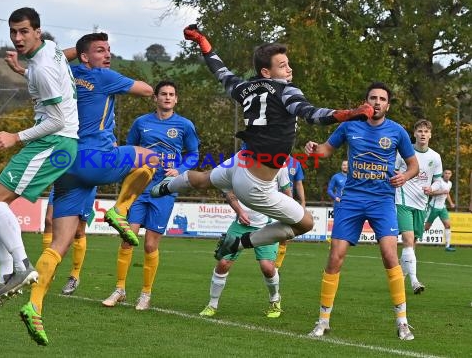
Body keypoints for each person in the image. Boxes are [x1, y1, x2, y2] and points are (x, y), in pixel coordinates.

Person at [151, 24, 373, 258]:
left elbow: (221, 71)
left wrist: (202, 42)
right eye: (282, 65)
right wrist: (349, 113)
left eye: (287, 63)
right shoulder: (286, 91)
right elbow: (312, 114)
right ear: (267, 72)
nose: (289, 69)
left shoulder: (244, 87)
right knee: (305, 223)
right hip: (256, 184)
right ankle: (238, 243)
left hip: (241, 162)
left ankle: (163, 187)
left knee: (204, 179)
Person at [12, 32, 156, 345]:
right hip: (95, 158)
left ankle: (34, 304)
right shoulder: (104, 76)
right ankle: (120, 211)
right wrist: (116, 78)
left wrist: (65, 57)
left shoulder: (66, 72)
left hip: (65, 162)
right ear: (85, 56)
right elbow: (147, 91)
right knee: (151, 158)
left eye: (108, 50)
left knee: (59, 244)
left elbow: (49, 62)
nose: (108, 54)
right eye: (100, 50)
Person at [0, 7, 79, 314]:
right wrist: (22, 70)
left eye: (23, 31)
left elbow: (57, 120)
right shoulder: (49, 52)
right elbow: (48, 74)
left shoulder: (43, 67)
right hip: (57, 142)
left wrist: (15, 137)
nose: (18, 37)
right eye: (13, 32)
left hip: (54, 141)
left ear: (37, 31)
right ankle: (7, 274)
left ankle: (21, 268)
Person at [305, 82, 419, 341]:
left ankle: (402, 322)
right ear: (366, 102)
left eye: (382, 99)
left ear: (388, 105)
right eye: (372, 98)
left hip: (382, 201)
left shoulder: (397, 132)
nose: (377, 102)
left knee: (390, 256)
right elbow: (325, 150)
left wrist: (404, 177)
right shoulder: (349, 126)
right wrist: (314, 149)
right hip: (352, 200)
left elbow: (413, 166)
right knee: (335, 257)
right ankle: (323, 321)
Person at [101, 80, 199, 311]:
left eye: (171, 94)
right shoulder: (141, 123)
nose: (167, 97)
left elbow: (194, 154)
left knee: (150, 244)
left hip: (164, 190)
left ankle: (145, 294)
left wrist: (181, 169)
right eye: (163, 94)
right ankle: (120, 289)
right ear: (155, 98)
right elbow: (130, 151)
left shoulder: (184, 125)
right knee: (128, 238)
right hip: (139, 188)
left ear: (176, 99)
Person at [200, 168, 291, 318]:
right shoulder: (239, 162)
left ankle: (275, 300)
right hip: (240, 225)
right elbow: (229, 192)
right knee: (223, 263)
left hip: (267, 225)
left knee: (268, 267)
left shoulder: (279, 165)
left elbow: (287, 193)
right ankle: (212, 304)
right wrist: (240, 211)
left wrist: (288, 218)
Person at [395, 119, 442, 295]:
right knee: (407, 241)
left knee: (412, 243)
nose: (423, 134)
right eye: (420, 131)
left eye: (426, 131)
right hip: (403, 200)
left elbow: (438, 181)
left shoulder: (435, 157)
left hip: (421, 203)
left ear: (430, 134)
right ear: (414, 133)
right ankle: (414, 281)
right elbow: (393, 171)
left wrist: (433, 188)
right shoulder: (404, 153)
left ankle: (399, 277)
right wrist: (399, 176)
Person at [42, 187, 97, 295]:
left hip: (86, 184)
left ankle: (75, 276)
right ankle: (47, 270)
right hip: (64, 180)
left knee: (79, 231)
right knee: (49, 220)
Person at [425, 169, 456, 252]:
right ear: (443, 174)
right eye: (446, 173)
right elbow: (430, 193)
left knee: (448, 225)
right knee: (426, 228)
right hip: (433, 207)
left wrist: (451, 203)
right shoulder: (439, 182)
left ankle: (447, 246)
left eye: (449, 173)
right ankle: (412, 240)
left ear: (451, 175)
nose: (447, 175)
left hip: (442, 207)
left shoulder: (450, 183)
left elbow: (447, 193)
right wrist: (442, 192)